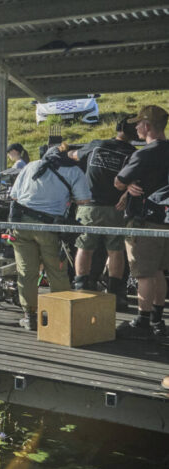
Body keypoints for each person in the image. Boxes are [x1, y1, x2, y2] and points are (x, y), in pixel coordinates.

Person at [8, 145, 92, 330]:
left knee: (26, 271)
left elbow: (14, 196)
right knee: (56, 271)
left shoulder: (31, 166)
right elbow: (84, 200)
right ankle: (60, 314)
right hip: (50, 227)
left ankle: (30, 316)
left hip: (21, 225)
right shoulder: (73, 171)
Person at [113, 105, 169, 339]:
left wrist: (126, 186)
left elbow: (118, 181)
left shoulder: (144, 153)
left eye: (138, 123)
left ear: (147, 126)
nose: (135, 127)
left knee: (144, 273)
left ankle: (142, 321)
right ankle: (157, 318)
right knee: (159, 272)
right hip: (165, 222)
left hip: (144, 222)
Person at [68, 118, 137, 306]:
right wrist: (125, 195)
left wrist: (68, 150)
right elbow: (140, 179)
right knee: (115, 251)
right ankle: (115, 293)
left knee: (84, 247)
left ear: (117, 129)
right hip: (116, 209)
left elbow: (74, 155)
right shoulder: (133, 154)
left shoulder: (97, 145)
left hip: (89, 207)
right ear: (134, 134)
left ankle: (81, 287)